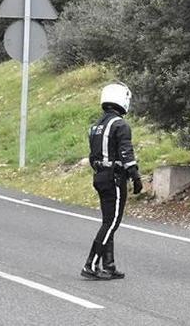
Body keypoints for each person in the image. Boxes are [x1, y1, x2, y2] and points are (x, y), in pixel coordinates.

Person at [81, 83, 143, 281]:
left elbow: (92, 156)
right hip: (114, 178)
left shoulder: (96, 126)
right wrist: (135, 176)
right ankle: (90, 264)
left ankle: (109, 265)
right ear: (122, 99)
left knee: (108, 222)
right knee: (112, 222)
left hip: (99, 176)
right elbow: (126, 152)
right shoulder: (120, 125)